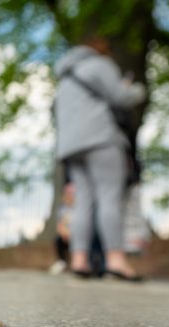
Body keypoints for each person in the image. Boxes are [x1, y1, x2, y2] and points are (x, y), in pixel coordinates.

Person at [54, 35, 146, 281]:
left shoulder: (64, 79)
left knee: (83, 201)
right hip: (101, 138)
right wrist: (137, 90)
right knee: (109, 197)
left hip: (70, 144)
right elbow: (121, 98)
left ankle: (79, 260)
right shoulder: (101, 65)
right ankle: (116, 260)